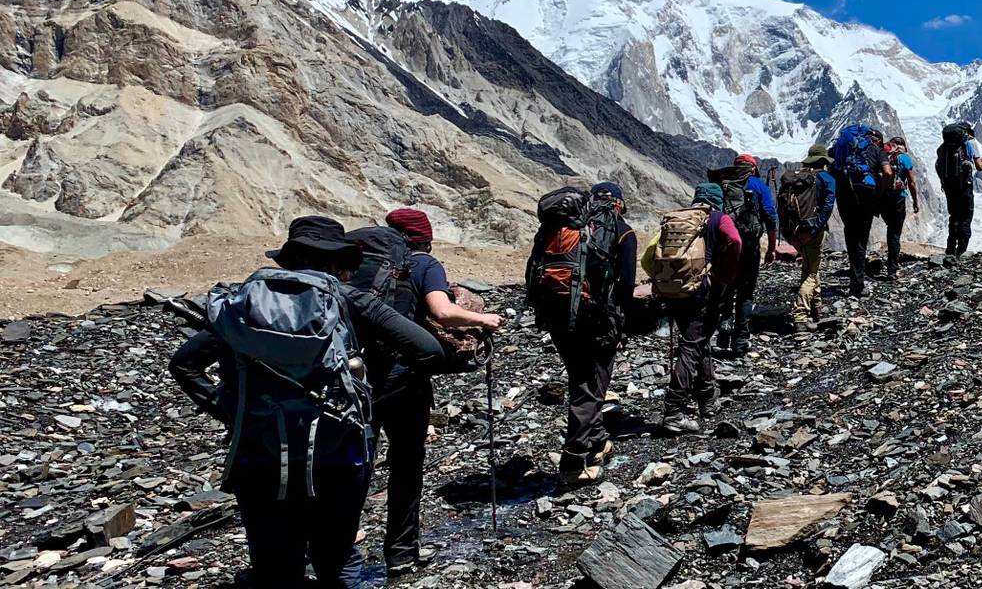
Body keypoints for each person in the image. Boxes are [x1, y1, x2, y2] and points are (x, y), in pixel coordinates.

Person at [170, 216, 442, 589]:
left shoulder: (243, 304)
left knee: (274, 567)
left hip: (258, 452)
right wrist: (364, 403)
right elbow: (427, 350)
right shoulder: (350, 301)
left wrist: (233, 412)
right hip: (337, 453)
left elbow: (184, 365)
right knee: (336, 560)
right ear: (336, 262)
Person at [369, 209, 501, 574]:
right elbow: (441, 312)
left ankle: (335, 559)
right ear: (425, 239)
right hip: (403, 375)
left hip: (353, 377)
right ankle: (401, 553)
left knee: (352, 467)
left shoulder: (358, 262)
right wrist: (482, 319)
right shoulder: (423, 263)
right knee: (406, 464)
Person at [527, 182, 639, 485]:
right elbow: (627, 285)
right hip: (596, 318)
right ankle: (573, 462)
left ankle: (597, 441)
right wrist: (621, 320)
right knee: (591, 383)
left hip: (556, 315)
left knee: (579, 376)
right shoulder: (621, 230)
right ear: (618, 202)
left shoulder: (560, 228)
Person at [641, 183, 742, 433]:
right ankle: (674, 411)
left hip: (675, 293)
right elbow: (736, 241)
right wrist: (724, 279)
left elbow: (647, 256)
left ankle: (707, 400)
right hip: (703, 291)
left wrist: (665, 282)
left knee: (698, 342)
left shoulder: (678, 219)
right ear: (717, 200)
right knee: (691, 347)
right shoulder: (718, 218)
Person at [707, 155, 777, 358]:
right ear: (754, 168)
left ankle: (723, 332)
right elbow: (770, 217)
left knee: (725, 289)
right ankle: (740, 343)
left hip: (724, 247)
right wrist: (771, 248)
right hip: (749, 247)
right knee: (746, 294)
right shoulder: (757, 185)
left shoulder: (721, 183)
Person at [779, 145, 837, 326]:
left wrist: (790, 234)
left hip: (793, 231)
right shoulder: (826, 179)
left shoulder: (796, 179)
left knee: (810, 265)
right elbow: (827, 207)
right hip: (812, 231)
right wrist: (815, 230)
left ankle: (816, 308)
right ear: (823, 161)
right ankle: (800, 316)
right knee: (811, 273)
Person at [831, 126, 887, 296]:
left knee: (850, 232)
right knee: (862, 237)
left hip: (844, 192)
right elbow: (888, 172)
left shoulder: (842, 149)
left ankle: (855, 275)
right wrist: (880, 192)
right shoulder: (876, 150)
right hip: (866, 195)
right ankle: (858, 283)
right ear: (875, 139)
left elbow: (831, 160)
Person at [933, 122, 982, 257]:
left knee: (954, 217)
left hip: (949, 186)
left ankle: (950, 249)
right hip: (964, 185)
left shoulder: (944, 147)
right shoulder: (970, 143)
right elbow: (979, 166)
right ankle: (962, 250)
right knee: (966, 216)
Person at [879, 136, 920, 279]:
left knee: (891, 230)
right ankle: (892, 269)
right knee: (895, 234)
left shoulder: (883, 156)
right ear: (901, 145)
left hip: (883, 198)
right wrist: (915, 201)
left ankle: (890, 264)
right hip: (898, 198)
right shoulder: (904, 158)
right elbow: (912, 182)